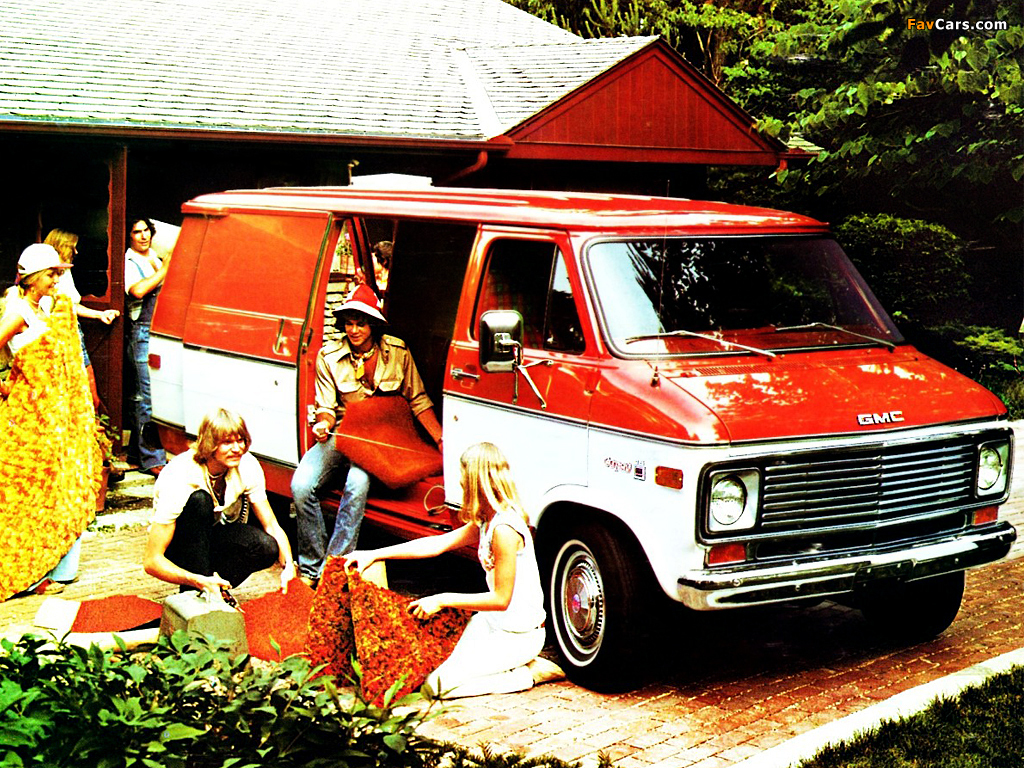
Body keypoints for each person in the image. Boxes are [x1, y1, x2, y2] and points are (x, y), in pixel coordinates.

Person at [345, 442, 561, 699]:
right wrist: (374, 553)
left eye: (463, 477)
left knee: (437, 687)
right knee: (429, 673)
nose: (460, 483)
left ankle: (527, 675)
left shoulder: (505, 529)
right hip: (490, 622)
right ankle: (510, 666)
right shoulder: (486, 520)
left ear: (476, 481)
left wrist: (441, 599)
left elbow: (501, 599)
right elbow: (437, 544)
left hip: (519, 634)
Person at [291, 284, 442, 587]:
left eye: (360, 323)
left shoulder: (398, 351)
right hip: (343, 433)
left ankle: (333, 571)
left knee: (357, 484)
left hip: (381, 440)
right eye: (349, 323)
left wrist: (440, 439)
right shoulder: (329, 356)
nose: (354, 330)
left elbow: (418, 399)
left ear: (373, 324)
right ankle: (310, 568)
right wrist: (322, 424)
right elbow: (326, 408)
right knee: (301, 486)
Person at [0, 243, 95, 596]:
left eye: (58, 274)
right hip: (29, 422)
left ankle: (54, 568)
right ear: (34, 277)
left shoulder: (44, 309)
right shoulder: (18, 312)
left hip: (55, 419)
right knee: (28, 496)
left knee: (60, 490)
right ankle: (27, 573)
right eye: (52, 275)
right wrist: (5, 385)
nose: (57, 280)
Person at [144, 407, 296, 600]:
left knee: (266, 547)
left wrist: (289, 566)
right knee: (200, 501)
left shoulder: (247, 464)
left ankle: (216, 588)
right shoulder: (180, 475)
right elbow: (152, 561)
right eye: (227, 442)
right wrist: (196, 579)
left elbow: (271, 525)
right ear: (209, 445)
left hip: (211, 535)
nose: (237, 448)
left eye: (240, 440)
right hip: (177, 544)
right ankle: (197, 590)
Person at [43, 229, 120, 409]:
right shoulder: (47, 278)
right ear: (62, 247)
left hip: (73, 332)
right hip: (58, 336)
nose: (76, 252)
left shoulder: (65, 272)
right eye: (73, 248)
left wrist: (100, 314)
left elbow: (72, 305)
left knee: (89, 395)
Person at [124, 217, 167, 475]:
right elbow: (138, 291)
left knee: (151, 395)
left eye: (146, 231)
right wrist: (165, 269)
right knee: (145, 397)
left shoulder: (155, 257)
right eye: (136, 232)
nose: (143, 236)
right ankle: (152, 459)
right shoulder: (130, 262)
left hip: (158, 331)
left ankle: (135, 454)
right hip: (141, 332)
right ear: (129, 236)